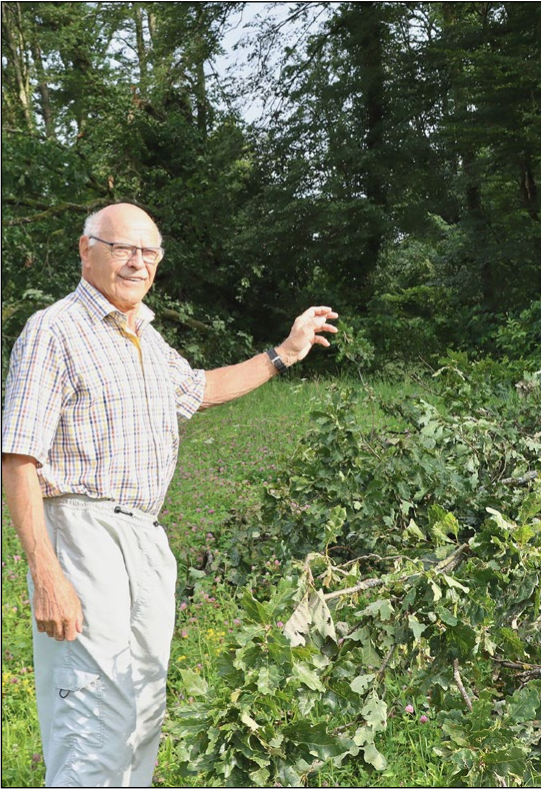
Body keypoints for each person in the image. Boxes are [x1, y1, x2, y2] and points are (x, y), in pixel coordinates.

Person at [1, 203, 339, 787]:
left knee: (141, 711)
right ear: (87, 250)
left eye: (149, 252)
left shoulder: (148, 339)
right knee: (92, 720)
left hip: (145, 537)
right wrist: (48, 575)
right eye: (122, 248)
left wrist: (284, 351)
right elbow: (18, 457)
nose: (137, 262)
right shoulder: (54, 330)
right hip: (82, 532)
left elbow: (200, 388)